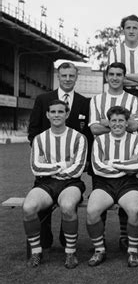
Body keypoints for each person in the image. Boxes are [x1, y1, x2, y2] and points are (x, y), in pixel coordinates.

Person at [27, 61, 92, 249]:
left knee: (68, 204)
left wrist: (80, 161)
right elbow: (33, 130)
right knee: (41, 207)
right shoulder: (43, 99)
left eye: (71, 75)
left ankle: (67, 240)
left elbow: (86, 134)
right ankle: (44, 239)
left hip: (72, 171)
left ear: (76, 77)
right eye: (64, 75)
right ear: (58, 76)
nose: (68, 79)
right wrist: (43, 155)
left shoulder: (84, 102)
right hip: (46, 167)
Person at [23, 100, 87, 269]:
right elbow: (36, 167)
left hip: (71, 183)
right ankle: (37, 252)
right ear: (47, 115)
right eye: (53, 112)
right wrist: (63, 164)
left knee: (67, 206)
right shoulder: (39, 139)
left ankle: (70, 252)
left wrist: (49, 167)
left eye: (60, 112)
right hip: (45, 183)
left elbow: (78, 168)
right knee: (28, 207)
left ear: (67, 114)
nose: (57, 115)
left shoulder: (79, 138)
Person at [89, 62, 138, 248]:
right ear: (106, 76)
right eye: (111, 74)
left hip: (127, 156)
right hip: (104, 154)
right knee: (98, 203)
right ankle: (99, 241)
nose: (115, 77)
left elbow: (135, 126)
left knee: (129, 204)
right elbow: (94, 128)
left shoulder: (133, 100)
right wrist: (118, 124)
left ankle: (125, 237)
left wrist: (108, 121)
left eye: (119, 74)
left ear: (124, 77)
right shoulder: (96, 100)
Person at [87, 106, 138, 267]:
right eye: (114, 120)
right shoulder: (99, 140)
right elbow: (97, 167)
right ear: (109, 123)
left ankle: (133, 251)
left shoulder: (136, 139)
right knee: (92, 211)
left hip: (129, 184)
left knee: (134, 210)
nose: (117, 124)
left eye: (121, 120)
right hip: (104, 183)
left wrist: (111, 163)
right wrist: (126, 165)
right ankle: (99, 250)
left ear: (127, 123)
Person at [107, 14, 138, 102]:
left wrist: (123, 75)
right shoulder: (114, 52)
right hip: (121, 93)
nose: (131, 31)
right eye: (128, 28)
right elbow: (113, 78)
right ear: (123, 31)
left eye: (134, 28)